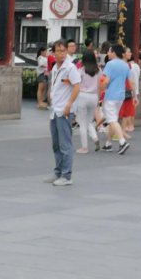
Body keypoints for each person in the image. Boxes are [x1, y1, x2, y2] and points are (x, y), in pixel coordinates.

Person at [44, 39, 80, 185]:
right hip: (55, 109)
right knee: (56, 144)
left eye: (63, 51)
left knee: (65, 144)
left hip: (64, 110)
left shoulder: (70, 68)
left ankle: (66, 175)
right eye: (58, 51)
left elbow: (77, 86)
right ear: (53, 53)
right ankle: (58, 172)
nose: (61, 54)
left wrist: (69, 104)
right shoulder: (55, 67)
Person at [100, 43, 131, 154]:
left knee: (112, 120)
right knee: (112, 119)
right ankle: (108, 143)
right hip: (121, 95)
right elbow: (130, 81)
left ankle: (122, 142)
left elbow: (106, 81)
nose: (108, 53)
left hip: (111, 95)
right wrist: (135, 95)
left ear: (113, 52)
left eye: (109, 51)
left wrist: (100, 90)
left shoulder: (110, 64)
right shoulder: (125, 65)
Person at [75, 50, 100, 153]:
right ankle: (94, 137)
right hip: (94, 96)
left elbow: (76, 84)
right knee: (89, 121)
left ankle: (84, 147)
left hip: (82, 96)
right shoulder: (98, 70)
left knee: (82, 123)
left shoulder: (81, 70)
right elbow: (99, 85)